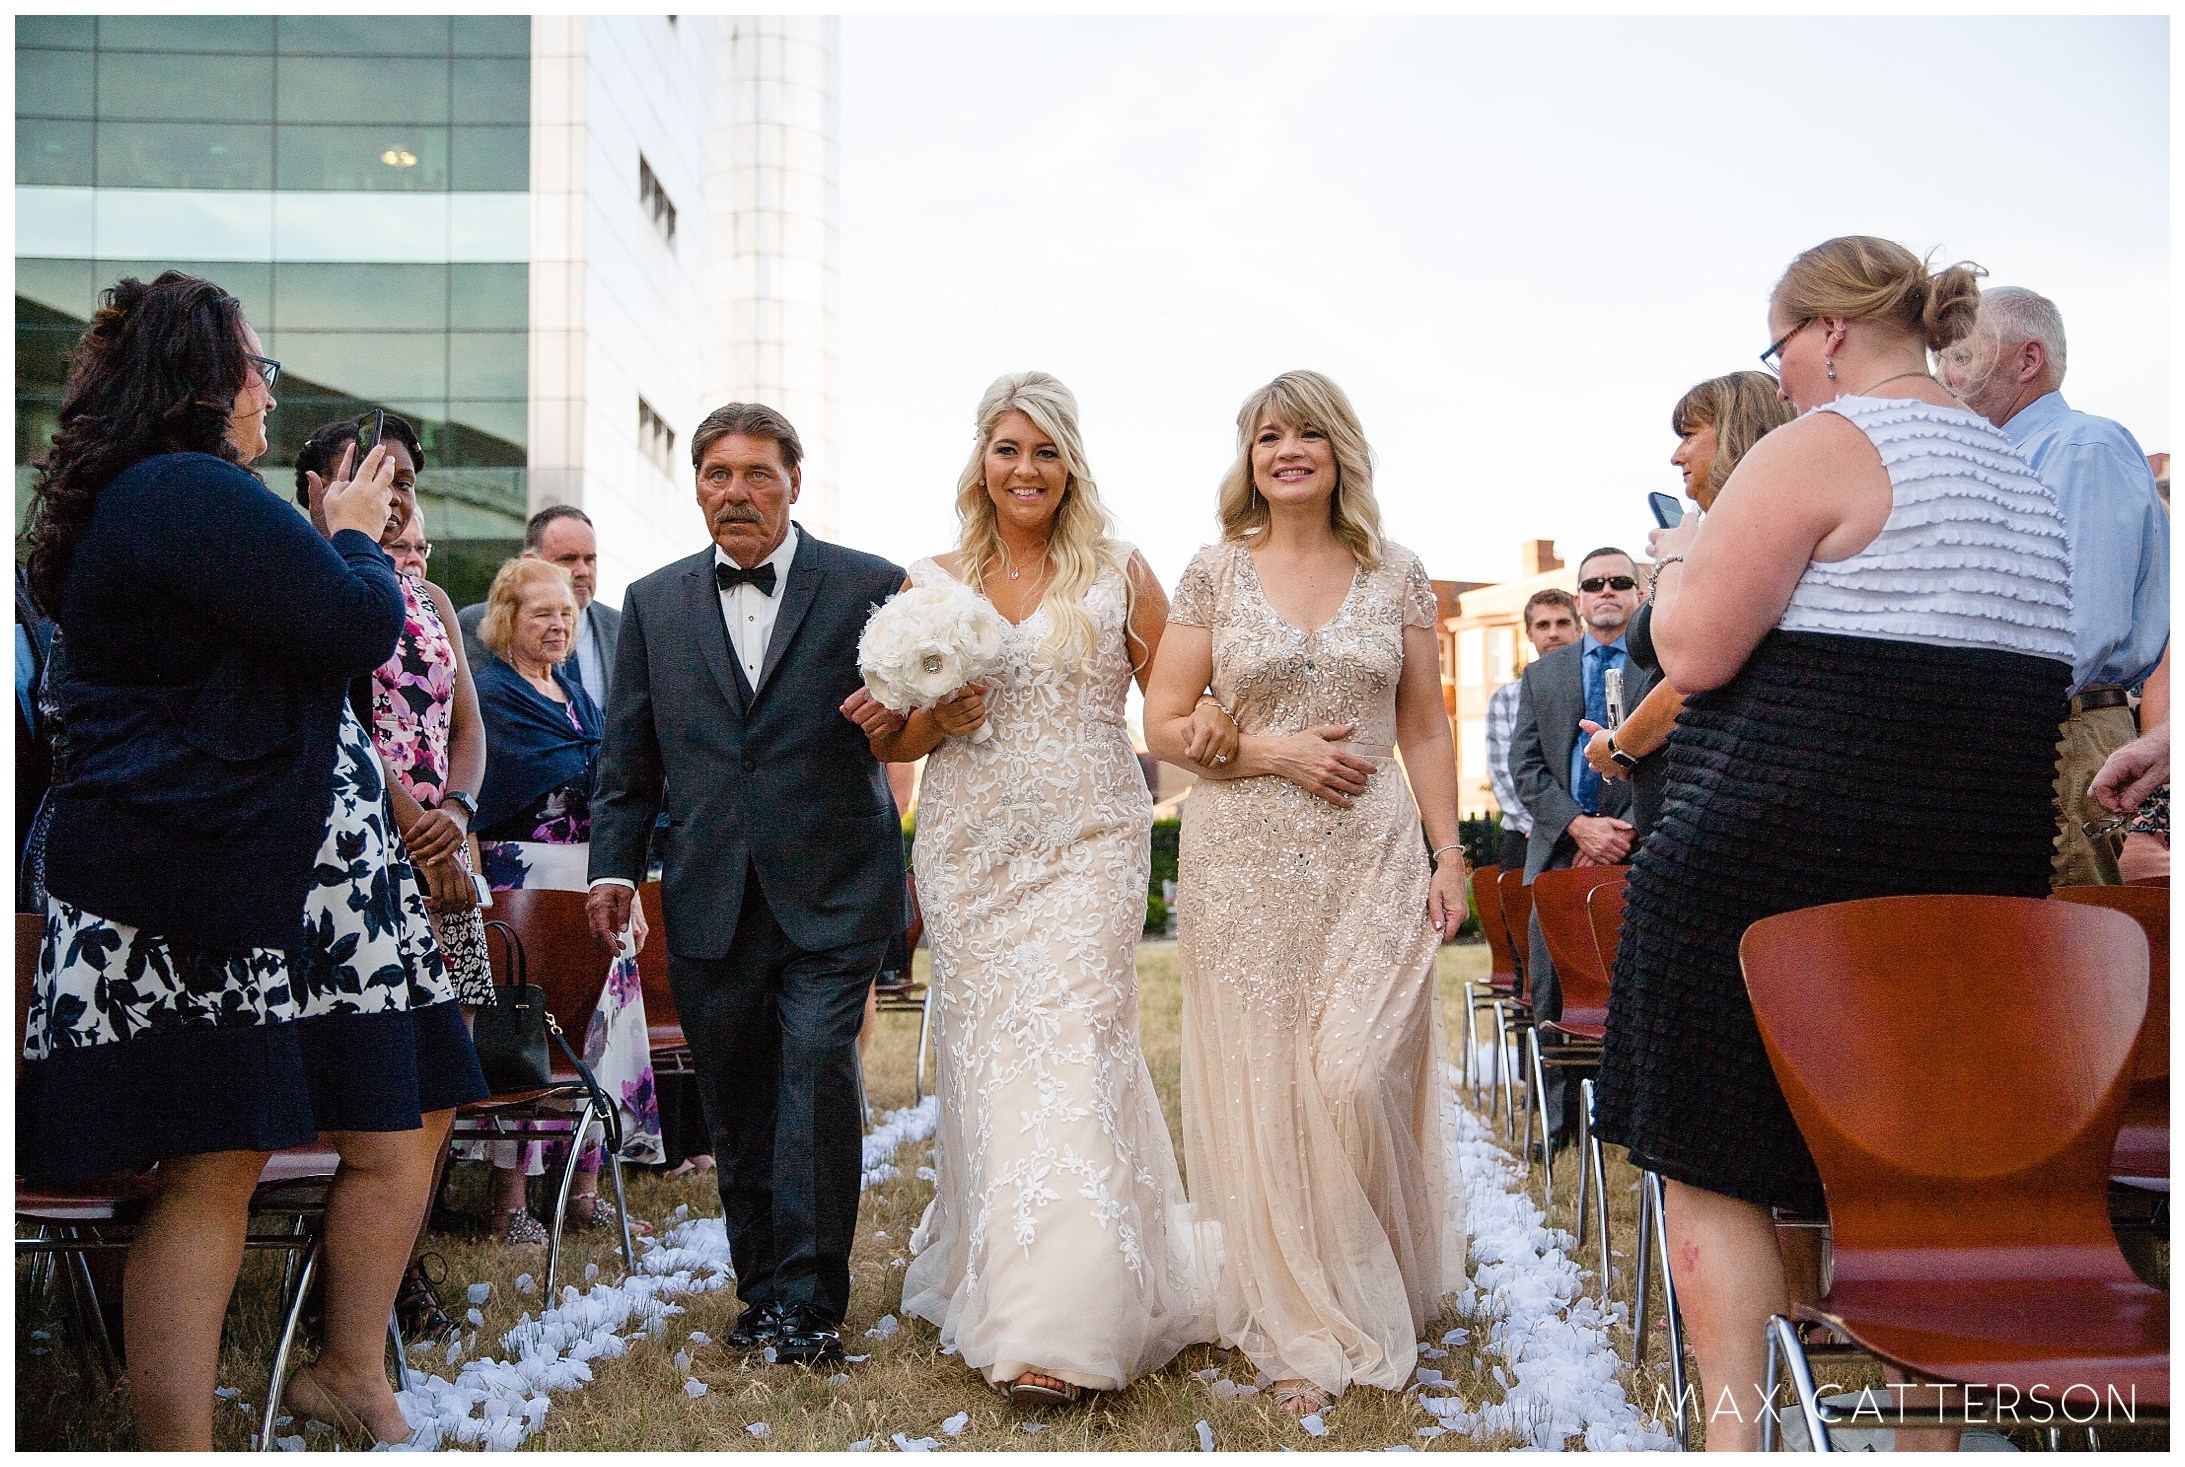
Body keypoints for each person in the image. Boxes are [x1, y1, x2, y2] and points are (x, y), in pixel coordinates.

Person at [1594, 237, 2073, 1450]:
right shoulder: (2020, 475)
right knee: (1911, 1166)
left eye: (1780, 350)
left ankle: (1734, 1438)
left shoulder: (1821, 443)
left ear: (1827, 334)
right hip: (1967, 877)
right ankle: (1922, 1439)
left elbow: (1693, 651)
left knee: (1713, 1154)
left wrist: (1671, 578)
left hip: (1767, 868)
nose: (1788, 375)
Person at [16, 271, 485, 1448]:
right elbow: (350, 628)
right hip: (203, 872)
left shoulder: (180, 495)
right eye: (258, 370)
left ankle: (345, 1368)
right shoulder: (183, 490)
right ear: (201, 379)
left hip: (309, 872)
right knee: (213, 1159)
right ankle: (182, 1444)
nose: (269, 396)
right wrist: (355, 541)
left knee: (403, 1109)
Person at [845, 371, 1211, 1404]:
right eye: (1008, 448)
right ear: (982, 460)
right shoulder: (932, 581)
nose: (1026, 469)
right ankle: (1002, 1277)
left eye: (1045, 450)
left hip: (1091, 835)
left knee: (1079, 1040)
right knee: (989, 1054)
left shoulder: (1119, 571)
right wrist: (927, 721)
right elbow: (903, 734)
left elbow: (1175, 708)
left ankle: (1068, 1319)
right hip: (970, 847)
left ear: (1071, 464)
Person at [1143, 370, 1469, 1418]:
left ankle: (1372, 1273)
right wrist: (1271, 750)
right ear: (1248, 458)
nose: (1287, 450)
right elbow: (1164, 721)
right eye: (1267, 435)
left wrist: (1448, 854)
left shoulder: (1397, 572)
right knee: (1277, 1088)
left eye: (1308, 434)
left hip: (1371, 860)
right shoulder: (1211, 574)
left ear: (1340, 453)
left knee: (1354, 1070)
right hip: (1242, 858)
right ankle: (1302, 1321)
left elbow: (1423, 724)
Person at [585, 401, 909, 1367]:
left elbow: (919, 713)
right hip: (708, 890)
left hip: (834, 885)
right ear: (696, 486)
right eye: (717, 474)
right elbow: (628, 756)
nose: (736, 491)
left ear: (794, 483)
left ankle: (811, 1301)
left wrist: (903, 706)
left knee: (814, 1072)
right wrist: (612, 862)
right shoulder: (652, 601)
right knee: (736, 1096)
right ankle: (761, 1289)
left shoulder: (868, 584)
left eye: (758, 473)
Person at [293, 414, 491, 1337]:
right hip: (360, 851)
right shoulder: (313, 576)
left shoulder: (435, 596)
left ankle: (404, 1260)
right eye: (373, 470)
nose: (396, 487)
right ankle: (343, 1279)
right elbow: (335, 717)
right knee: (375, 1078)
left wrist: (454, 815)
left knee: (448, 1055)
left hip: (445, 848)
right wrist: (412, 825)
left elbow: (467, 726)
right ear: (313, 486)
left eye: (406, 474)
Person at [1935, 286, 2170, 886]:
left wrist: (1974, 720)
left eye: (1960, 355)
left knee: (2061, 949)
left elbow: (2079, 625)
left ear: (2027, 360)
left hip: (2058, 735)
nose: (1942, 374)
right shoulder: (2005, 455)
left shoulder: (2080, 446)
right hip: (2034, 729)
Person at [470, 556, 658, 1241]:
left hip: (591, 882)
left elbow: (613, 780)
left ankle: (583, 1190)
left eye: (566, 614)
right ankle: (511, 1204)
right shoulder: (491, 695)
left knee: (593, 1026)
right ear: (506, 619)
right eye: (541, 612)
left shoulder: (579, 700)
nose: (557, 624)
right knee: (525, 1036)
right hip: (522, 888)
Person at [1580, 373, 1796, 841]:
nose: (1676, 456)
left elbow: (1692, 673)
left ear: (1739, 431)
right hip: (1680, 794)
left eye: (1690, 435)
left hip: (1712, 805)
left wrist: (1619, 747)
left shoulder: (1753, 534)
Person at [1508, 547, 1658, 1153]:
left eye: (1620, 582)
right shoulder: (1544, 676)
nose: (1607, 592)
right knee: (1551, 987)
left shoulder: (1666, 666)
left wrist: (1618, 832)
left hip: (1642, 848)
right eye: (1593, 584)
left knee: (1639, 986)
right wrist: (1578, 827)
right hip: (1562, 852)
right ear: (1578, 599)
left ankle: (1638, 1128)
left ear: (1639, 594)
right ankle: (1560, 1126)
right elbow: (1527, 768)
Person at [461, 505, 622, 711]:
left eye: (590, 560)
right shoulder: (477, 623)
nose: (582, 571)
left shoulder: (619, 626)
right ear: (531, 561)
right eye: (568, 559)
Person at [1485, 588, 1580, 871]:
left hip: (1598, 839)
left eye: (1562, 623)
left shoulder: (1599, 686)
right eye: (1543, 625)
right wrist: (1560, 828)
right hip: (1527, 837)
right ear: (1529, 634)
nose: (1553, 633)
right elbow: (1505, 775)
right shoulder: (1504, 699)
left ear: (1579, 627)